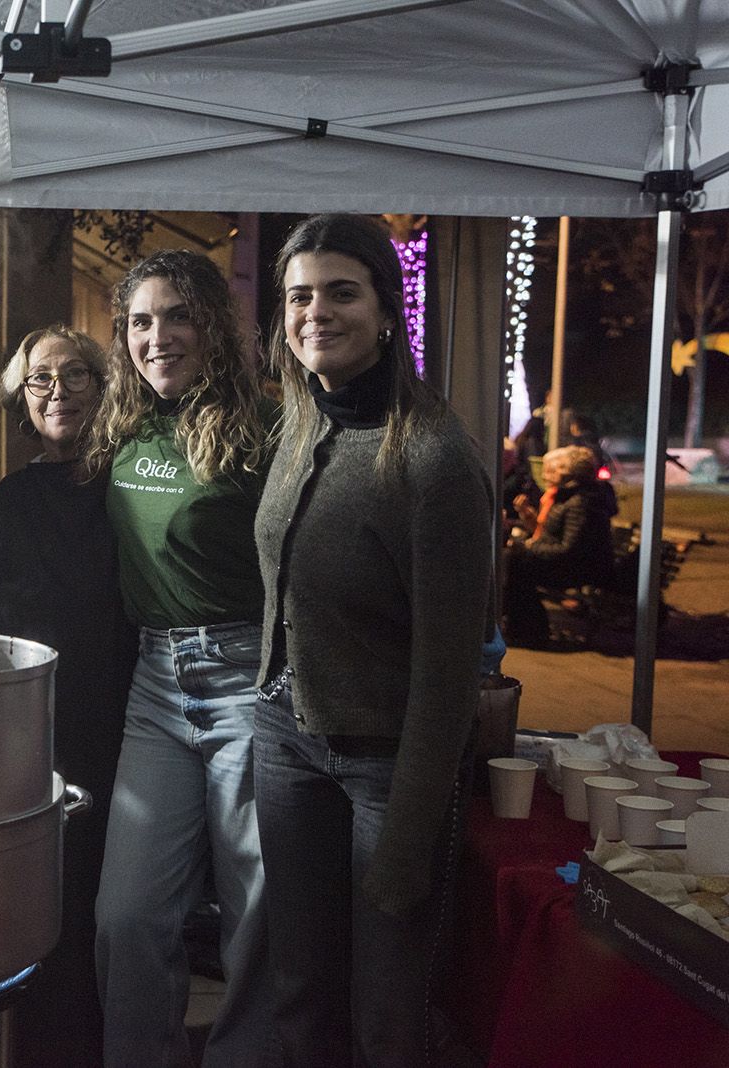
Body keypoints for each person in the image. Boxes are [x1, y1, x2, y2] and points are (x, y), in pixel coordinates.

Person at [252, 213, 494, 1066]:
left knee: (388, 1011)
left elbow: (449, 674)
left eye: (341, 292)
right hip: (285, 743)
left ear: (387, 309)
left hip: (389, 765)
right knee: (301, 989)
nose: (317, 312)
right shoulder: (298, 425)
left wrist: (411, 837)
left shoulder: (434, 460)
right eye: (299, 296)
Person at [83, 249, 277, 1068]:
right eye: (139, 321)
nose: (157, 336)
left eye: (177, 316)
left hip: (250, 680)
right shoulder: (122, 426)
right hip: (155, 685)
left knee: (257, 915)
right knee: (126, 918)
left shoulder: (265, 426)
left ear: (212, 326)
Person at [0, 326, 135, 1067]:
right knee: (40, 905)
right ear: (21, 398)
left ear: (105, 390)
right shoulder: (4, 501)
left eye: (76, 376)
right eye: (41, 379)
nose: (57, 393)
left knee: (113, 909)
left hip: (127, 727)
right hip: (31, 735)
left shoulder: (133, 484)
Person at [502, 444, 618, 646]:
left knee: (516, 565)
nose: (545, 475)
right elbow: (553, 537)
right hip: (573, 564)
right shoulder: (568, 496)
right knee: (512, 561)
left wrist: (527, 548)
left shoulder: (581, 502)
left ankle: (530, 630)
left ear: (569, 472)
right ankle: (523, 627)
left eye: (551, 470)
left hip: (582, 569)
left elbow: (570, 549)